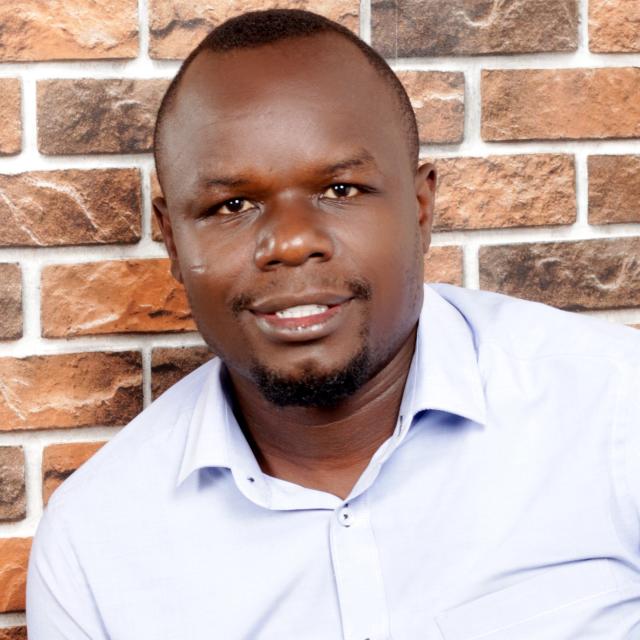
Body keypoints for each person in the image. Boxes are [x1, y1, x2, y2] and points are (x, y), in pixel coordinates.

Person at [27, 9, 640, 639]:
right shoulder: (93, 550)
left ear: (422, 208)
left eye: (341, 190)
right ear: (173, 242)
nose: (291, 243)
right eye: (232, 205)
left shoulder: (615, 412)